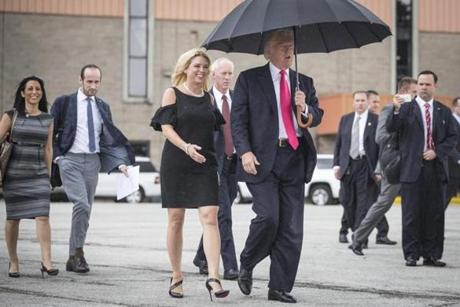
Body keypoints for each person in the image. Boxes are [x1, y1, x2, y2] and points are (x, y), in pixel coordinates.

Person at [232, 29, 323, 303]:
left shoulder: (303, 81)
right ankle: (247, 261)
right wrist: (244, 152)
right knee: (269, 218)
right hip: (261, 160)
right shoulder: (249, 79)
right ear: (267, 51)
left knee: (292, 228)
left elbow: (316, 116)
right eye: (283, 47)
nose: (289, 52)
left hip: (294, 158)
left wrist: (304, 109)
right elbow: (238, 120)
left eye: (292, 47)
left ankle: (279, 287)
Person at [150, 48, 230, 300]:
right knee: (176, 219)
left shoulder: (208, 99)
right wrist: (186, 147)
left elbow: (215, 134)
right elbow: (166, 128)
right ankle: (176, 275)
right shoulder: (172, 93)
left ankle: (214, 278)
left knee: (210, 217)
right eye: (196, 66)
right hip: (177, 161)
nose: (201, 70)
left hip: (204, 162)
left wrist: (218, 163)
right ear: (185, 67)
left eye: (205, 67)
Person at [51, 64, 135, 273]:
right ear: (80, 80)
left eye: (96, 82)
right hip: (70, 159)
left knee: (85, 211)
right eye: (89, 81)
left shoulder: (103, 106)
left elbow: (107, 140)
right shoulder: (64, 102)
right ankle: (78, 253)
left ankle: (73, 257)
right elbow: (50, 132)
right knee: (81, 204)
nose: (93, 86)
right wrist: (58, 157)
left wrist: (120, 163)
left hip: (93, 162)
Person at [387, 70, 458, 267]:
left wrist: (437, 151)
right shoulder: (406, 108)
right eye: (421, 84)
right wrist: (395, 109)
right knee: (411, 214)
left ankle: (432, 255)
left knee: (434, 214)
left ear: (435, 86)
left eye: (428, 84)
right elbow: (392, 128)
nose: (424, 87)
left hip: (435, 169)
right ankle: (411, 254)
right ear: (416, 86)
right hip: (411, 169)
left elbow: (453, 137)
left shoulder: (443, 111)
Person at [350, 77, 417, 255]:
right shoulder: (389, 109)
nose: (416, 96)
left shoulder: (416, 109)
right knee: (383, 203)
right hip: (394, 163)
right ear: (403, 92)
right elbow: (380, 137)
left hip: (414, 163)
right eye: (414, 92)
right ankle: (358, 237)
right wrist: (401, 134)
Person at [0, 76, 58, 277]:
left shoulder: (48, 119)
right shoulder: (11, 116)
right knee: (13, 218)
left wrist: (49, 177)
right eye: (30, 89)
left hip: (39, 173)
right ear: (23, 93)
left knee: (43, 216)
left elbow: (48, 149)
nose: (34, 92)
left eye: (38, 89)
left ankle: (47, 261)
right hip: (14, 172)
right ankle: (14, 261)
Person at [193, 57, 239, 281]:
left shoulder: (238, 100)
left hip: (234, 164)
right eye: (224, 74)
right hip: (213, 165)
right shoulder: (205, 101)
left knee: (219, 214)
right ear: (213, 75)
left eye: (231, 74)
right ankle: (230, 265)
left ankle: (201, 256)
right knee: (224, 216)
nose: (228, 78)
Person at [333, 91, 379, 245]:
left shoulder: (376, 120)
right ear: (353, 103)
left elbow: (380, 147)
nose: (360, 103)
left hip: (366, 165)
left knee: (363, 203)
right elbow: (339, 144)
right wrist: (336, 165)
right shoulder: (345, 119)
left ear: (367, 102)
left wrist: (379, 169)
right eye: (357, 100)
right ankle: (353, 229)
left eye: (363, 100)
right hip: (348, 166)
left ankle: (360, 237)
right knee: (347, 200)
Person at [446, 97, 460, 210]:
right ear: (454, 107)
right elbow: (449, 143)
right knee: (446, 197)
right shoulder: (450, 121)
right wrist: (458, 158)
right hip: (451, 166)